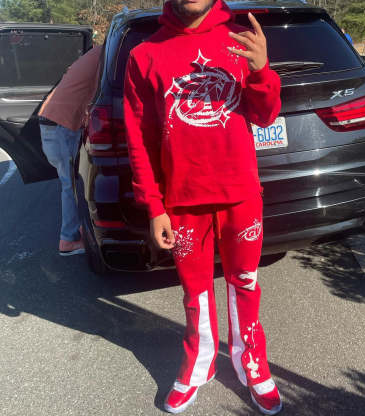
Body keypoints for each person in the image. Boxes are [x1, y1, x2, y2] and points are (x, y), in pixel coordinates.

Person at [123, 0, 282, 413]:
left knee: (245, 281)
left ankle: (252, 363)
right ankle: (200, 361)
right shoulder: (144, 55)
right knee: (195, 291)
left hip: (240, 196)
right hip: (182, 202)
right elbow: (139, 140)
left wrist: (261, 71)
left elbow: (266, 116)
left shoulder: (241, 39)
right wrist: (154, 206)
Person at [38, 45, 102, 256]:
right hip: (60, 127)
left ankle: (78, 229)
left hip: (53, 123)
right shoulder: (105, 56)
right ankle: (68, 240)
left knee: (70, 183)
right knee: (71, 186)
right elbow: (100, 95)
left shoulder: (94, 54)